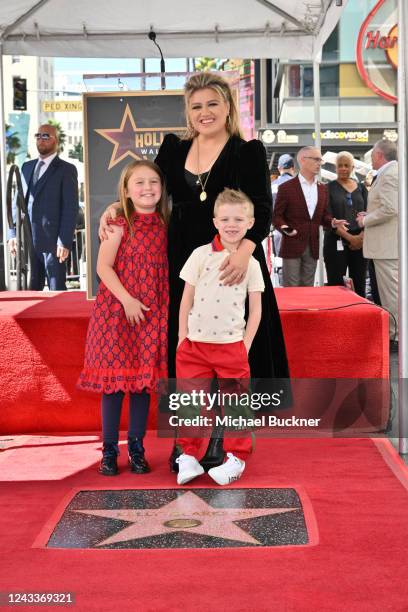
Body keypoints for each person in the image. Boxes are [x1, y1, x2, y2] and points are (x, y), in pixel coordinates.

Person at [99, 72, 290, 472]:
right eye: (197, 106)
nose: (205, 113)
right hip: (183, 263)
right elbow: (145, 186)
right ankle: (187, 443)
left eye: (212, 104)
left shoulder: (248, 151)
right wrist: (117, 207)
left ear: (228, 108)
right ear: (189, 112)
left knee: (229, 350)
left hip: (231, 260)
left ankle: (222, 440)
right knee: (185, 354)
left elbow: (263, 207)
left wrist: (246, 252)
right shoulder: (173, 148)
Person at [78, 160, 169, 475]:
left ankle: (137, 448)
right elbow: (103, 267)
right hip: (117, 312)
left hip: (151, 314)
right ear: (127, 191)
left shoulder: (164, 224)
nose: (147, 188)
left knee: (142, 385)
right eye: (139, 183)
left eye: (153, 182)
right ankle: (108, 451)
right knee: (115, 385)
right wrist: (128, 300)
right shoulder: (118, 222)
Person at [175, 188, 264, 486]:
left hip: (231, 347)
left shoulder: (251, 264)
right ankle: (187, 455)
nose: (231, 224)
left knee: (236, 404)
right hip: (194, 346)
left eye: (239, 219)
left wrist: (246, 343)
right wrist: (181, 336)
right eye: (225, 218)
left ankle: (236, 460)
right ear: (214, 221)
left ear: (250, 223)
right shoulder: (200, 255)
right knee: (190, 401)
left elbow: (256, 309)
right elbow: (186, 298)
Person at [8, 124, 79, 290]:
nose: (41, 139)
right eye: (38, 135)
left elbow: (70, 208)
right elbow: (16, 203)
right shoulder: (26, 167)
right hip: (28, 242)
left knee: (57, 292)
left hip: (54, 244)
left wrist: (64, 241)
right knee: (31, 295)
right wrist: (12, 233)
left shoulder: (66, 169)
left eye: (46, 135)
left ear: (56, 140)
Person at [273, 146, 346, 287]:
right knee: (291, 287)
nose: (319, 163)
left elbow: (323, 216)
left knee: (308, 287)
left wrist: (332, 222)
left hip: (313, 245)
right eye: (316, 159)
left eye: (320, 160)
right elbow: (277, 217)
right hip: (292, 243)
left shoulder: (322, 189)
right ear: (302, 160)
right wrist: (285, 228)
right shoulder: (286, 188)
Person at [357, 140, 398, 351]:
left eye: (372, 155)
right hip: (386, 245)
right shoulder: (390, 172)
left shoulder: (390, 174)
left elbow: (391, 209)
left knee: (391, 293)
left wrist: (365, 220)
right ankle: (395, 332)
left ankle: (396, 335)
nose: (371, 159)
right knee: (389, 292)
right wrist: (369, 215)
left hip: (387, 246)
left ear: (380, 154)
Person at [323, 151, 368, 297]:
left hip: (360, 243)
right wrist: (350, 238)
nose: (343, 168)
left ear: (352, 167)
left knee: (360, 284)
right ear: (335, 168)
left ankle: (360, 316)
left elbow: (370, 213)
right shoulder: (328, 188)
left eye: (346, 165)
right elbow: (326, 217)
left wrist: (361, 237)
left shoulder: (361, 188)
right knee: (336, 286)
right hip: (336, 241)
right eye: (340, 165)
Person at [270, 154, 296, 258]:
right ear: (293, 168)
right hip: (297, 232)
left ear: (279, 168)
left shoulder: (272, 186)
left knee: (281, 265)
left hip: (279, 231)